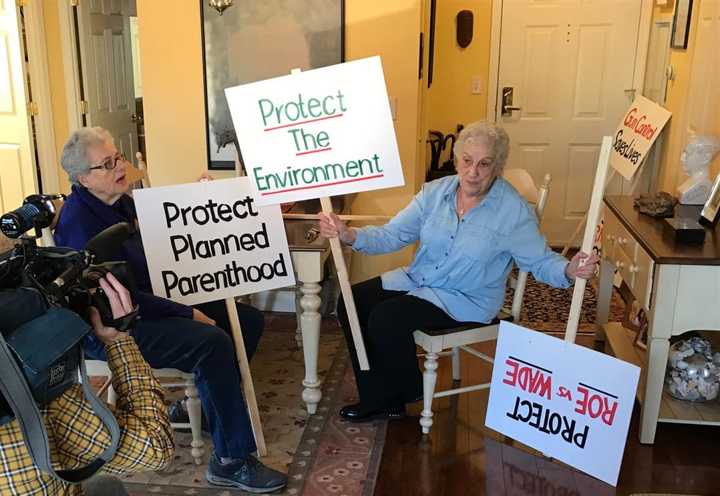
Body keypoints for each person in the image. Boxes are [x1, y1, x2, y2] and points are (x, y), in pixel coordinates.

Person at [54, 128, 287, 492]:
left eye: (119, 157)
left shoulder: (120, 201)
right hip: (114, 325)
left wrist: (199, 199)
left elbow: (165, 228)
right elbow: (120, 296)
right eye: (108, 163)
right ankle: (230, 460)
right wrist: (187, 313)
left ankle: (215, 413)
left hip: (151, 299)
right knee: (212, 341)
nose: (121, 166)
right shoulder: (79, 223)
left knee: (248, 321)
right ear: (84, 178)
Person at [319, 120, 598, 422]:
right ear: (456, 159)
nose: (473, 172)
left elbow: (540, 261)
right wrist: (349, 235)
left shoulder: (513, 211)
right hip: (420, 280)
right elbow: (393, 235)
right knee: (352, 301)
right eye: (467, 161)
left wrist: (569, 270)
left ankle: (401, 391)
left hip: (466, 298)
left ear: (498, 166)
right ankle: (380, 396)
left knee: (386, 318)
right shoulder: (434, 193)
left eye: (484, 163)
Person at [0, 273, 173, 495]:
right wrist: (119, 341)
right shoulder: (34, 401)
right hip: (35, 409)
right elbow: (156, 448)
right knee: (109, 486)